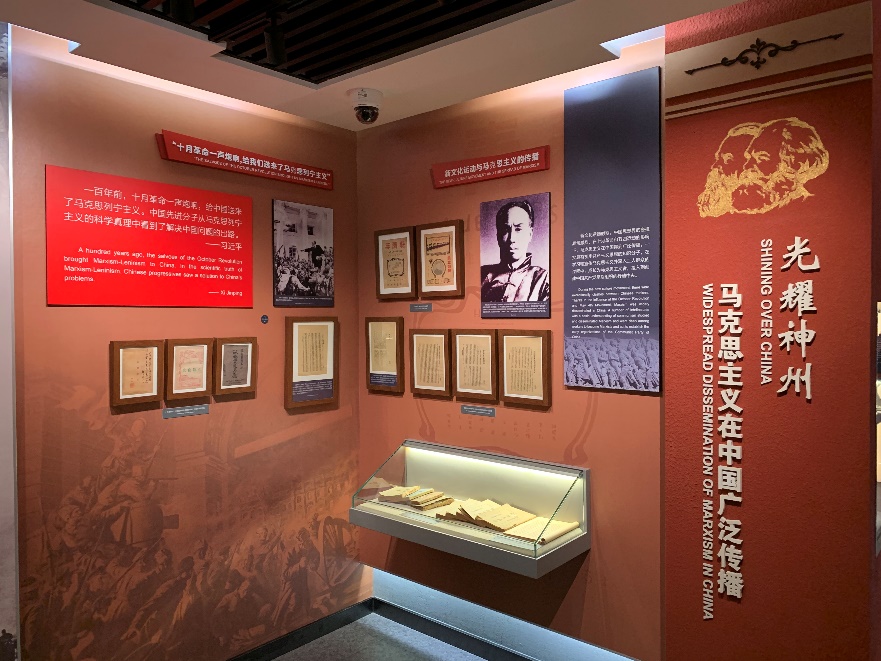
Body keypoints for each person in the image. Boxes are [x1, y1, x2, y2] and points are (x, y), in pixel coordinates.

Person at [481, 199, 550, 302]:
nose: (512, 238)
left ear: (530, 234)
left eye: (518, 229)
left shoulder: (543, 279)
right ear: (498, 236)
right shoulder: (482, 275)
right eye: (505, 230)